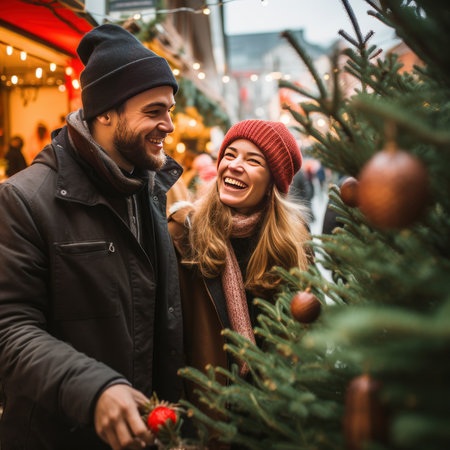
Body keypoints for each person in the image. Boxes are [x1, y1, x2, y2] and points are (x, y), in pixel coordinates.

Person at [0, 23, 184, 450]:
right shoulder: (23, 200)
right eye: (154, 111)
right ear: (105, 113)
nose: (169, 125)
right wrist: (95, 389)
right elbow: (9, 329)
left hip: (144, 433)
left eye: (169, 110)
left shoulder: (148, 189)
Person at [168, 120, 312, 421]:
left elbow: (307, 323)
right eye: (230, 154)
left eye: (253, 160)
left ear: (274, 180)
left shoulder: (294, 238)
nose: (234, 165)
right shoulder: (183, 233)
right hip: (209, 413)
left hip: (276, 415)